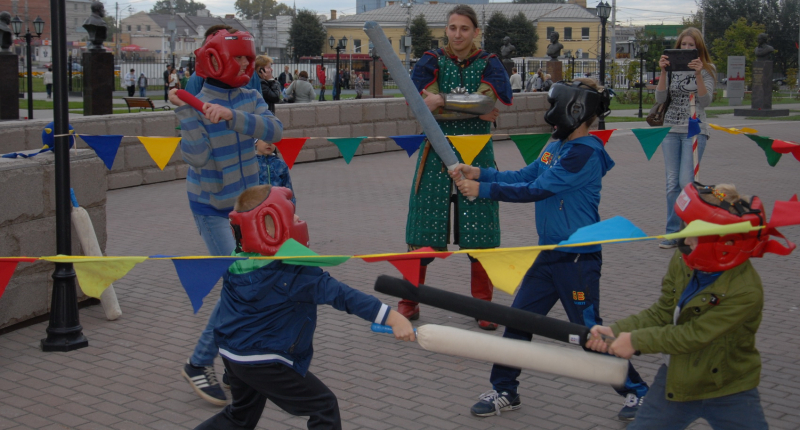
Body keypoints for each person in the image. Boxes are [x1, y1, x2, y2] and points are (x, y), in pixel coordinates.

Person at [450, 79, 649, 421]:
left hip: (577, 258)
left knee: (589, 333)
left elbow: (536, 189)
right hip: (549, 254)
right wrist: (478, 172)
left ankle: (639, 393)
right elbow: (525, 174)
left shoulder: (585, 153)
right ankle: (505, 390)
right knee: (518, 320)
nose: (551, 118)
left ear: (577, 110)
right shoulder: (556, 146)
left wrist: (480, 190)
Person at [192, 184, 415, 430]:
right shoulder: (295, 271)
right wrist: (391, 317)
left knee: (240, 416)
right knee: (323, 406)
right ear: (272, 227)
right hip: (264, 359)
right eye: (291, 214)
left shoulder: (238, 261)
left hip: (233, 353)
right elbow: (343, 295)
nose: (299, 218)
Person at [586, 181, 796, 430]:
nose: (685, 238)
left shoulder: (746, 291)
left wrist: (635, 341)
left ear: (723, 241)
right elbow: (663, 310)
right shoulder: (685, 259)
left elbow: (694, 335)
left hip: (729, 388)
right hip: (677, 381)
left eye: (695, 232)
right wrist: (617, 330)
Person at [170, 27, 283, 407]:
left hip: (246, 206)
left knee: (249, 284)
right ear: (215, 58)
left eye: (246, 59)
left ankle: (235, 365)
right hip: (211, 207)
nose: (243, 66)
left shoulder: (250, 97)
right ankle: (199, 363)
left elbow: (275, 130)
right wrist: (189, 114)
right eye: (237, 59)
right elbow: (198, 159)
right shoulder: (196, 101)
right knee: (239, 282)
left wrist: (233, 116)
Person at [403, 4, 512, 330]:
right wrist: (471, 108)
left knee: (480, 230)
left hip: (476, 156)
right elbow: (420, 106)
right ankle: (409, 301)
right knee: (423, 231)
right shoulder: (430, 61)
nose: (458, 34)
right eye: (452, 28)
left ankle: (483, 307)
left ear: (476, 31)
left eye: (464, 28)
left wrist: (442, 102)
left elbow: (488, 102)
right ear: (446, 30)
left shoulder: (489, 63)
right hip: (434, 155)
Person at [655, 27, 716, 249]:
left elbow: (706, 100)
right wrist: (663, 71)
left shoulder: (707, 69)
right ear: (677, 46)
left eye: (692, 46)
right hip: (670, 130)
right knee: (672, 183)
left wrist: (698, 73)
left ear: (699, 49)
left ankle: (689, 230)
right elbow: (660, 97)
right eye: (683, 45)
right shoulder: (671, 68)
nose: (687, 49)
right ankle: (672, 232)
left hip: (694, 129)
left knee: (686, 182)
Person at [184, 25, 262, 96]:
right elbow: (190, 108)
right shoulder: (199, 77)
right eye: (238, 57)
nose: (246, 63)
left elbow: (260, 108)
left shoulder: (249, 74)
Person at [255, 139, 294, 205]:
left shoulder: (280, 164)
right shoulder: (251, 164)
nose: (269, 143)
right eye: (265, 140)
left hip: (277, 204)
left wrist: (291, 208)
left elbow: (288, 187)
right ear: (255, 143)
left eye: (273, 140)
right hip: (256, 204)